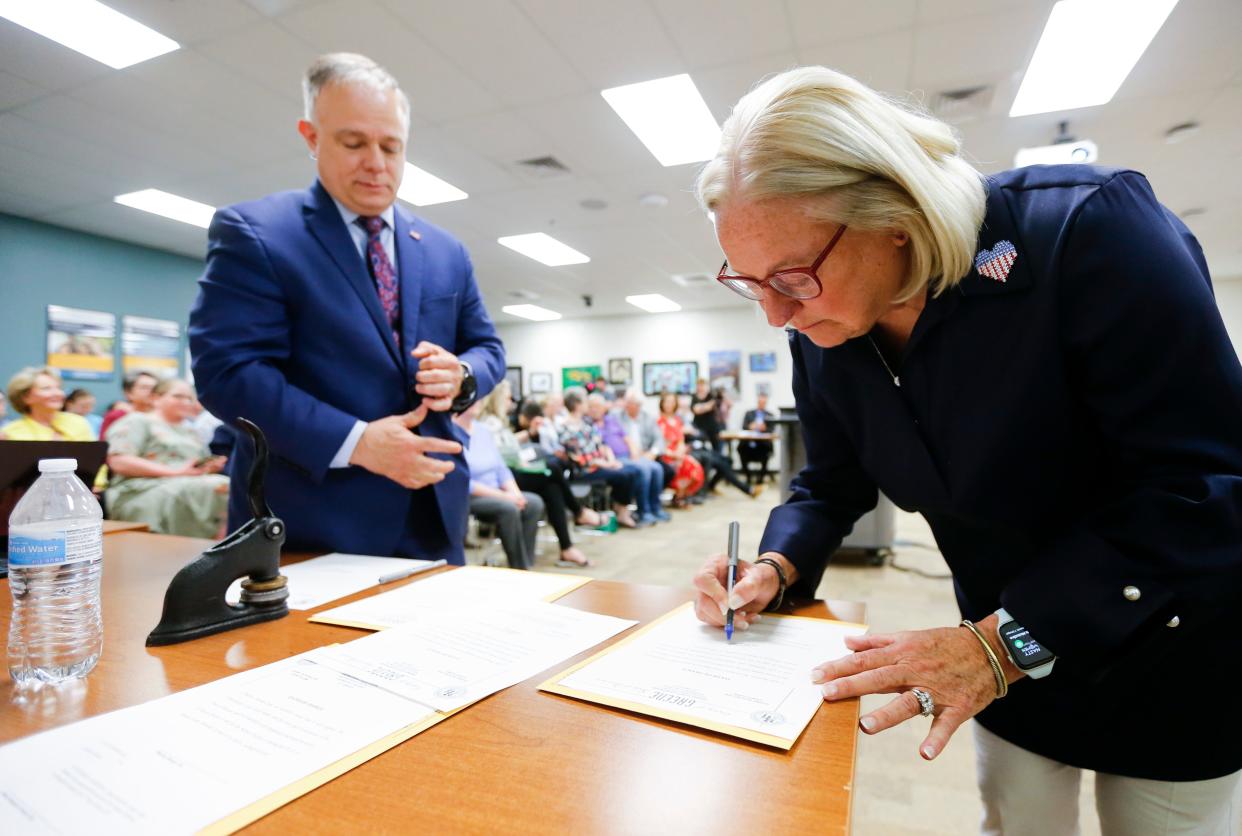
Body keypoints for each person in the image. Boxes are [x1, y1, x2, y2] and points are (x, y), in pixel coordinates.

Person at [689, 66, 1242, 834]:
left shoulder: (1089, 232)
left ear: (895, 214)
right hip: (998, 647)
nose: (776, 312)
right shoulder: (822, 333)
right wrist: (774, 567)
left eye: (794, 276)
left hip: (1163, 637)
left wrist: (999, 644)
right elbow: (830, 484)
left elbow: (1205, 485)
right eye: (750, 282)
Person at [188, 53, 504, 563]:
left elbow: (488, 347)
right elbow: (228, 373)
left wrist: (464, 375)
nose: (376, 163)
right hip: (313, 520)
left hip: (435, 512)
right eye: (354, 143)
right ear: (311, 137)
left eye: (391, 146)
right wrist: (357, 442)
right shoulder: (257, 234)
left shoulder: (446, 250)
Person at [479, 382, 592, 566]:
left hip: (512, 470)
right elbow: (502, 455)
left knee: (552, 487)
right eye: (508, 398)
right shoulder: (489, 424)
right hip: (502, 478)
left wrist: (527, 438)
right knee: (554, 469)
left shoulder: (499, 422)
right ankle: (578, 513)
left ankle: (566, 547)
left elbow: (509, 450)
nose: (511, 402)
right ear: (497, 399)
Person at [105, 379, 229, 539]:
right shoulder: (137, 421)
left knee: (225, 486)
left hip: (190, 485)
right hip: (140, 489)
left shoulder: (191, 431)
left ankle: (215, 549)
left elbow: (195, 466)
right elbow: (119, 460)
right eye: (178, 396)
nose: (185, 402)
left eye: (190, 398)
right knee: (219, 485)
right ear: (156, 398)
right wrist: (175, 472)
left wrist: (207, 468)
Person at [453, 402, 544, 571]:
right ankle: (520, 568)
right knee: (509, 508)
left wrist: (516, 494)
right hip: (471, 496)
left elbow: (501, 468)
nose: (477, 402)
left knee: (534, 503)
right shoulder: (450, 432)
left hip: (498, 491)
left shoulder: (483, 431)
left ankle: (527, 561)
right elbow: (464, 481)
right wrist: (505, 496)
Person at [558, 390, 642, 528]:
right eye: (586, 402)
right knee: (624, 474)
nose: (588, 406)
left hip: (601, 464)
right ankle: (621, 510)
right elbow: (577, 457)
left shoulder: (586, 422)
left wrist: (611, 461)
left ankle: (621, 508)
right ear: (578, 405)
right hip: (585, 470)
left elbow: (601, 444)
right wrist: (605, 464)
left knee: (633, 470)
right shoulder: (565, 426)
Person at [587, 393, 667, 524]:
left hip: (628, 455)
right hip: (614, 459)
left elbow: (627, 439)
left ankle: (655, 508)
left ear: (603, 408)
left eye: (597, 406)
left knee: (657, 468)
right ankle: (644, 511)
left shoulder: (611, 420)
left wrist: (635, 453)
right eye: (591, 407)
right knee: (643, 470)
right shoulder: (589, 425)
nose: (594, 409)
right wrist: (612, 461)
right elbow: (602, 447)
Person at [3, 367, 94, 442]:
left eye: (58, 388)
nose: (58, 393)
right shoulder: (11, 434)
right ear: (26, 397)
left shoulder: (78, 422)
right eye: (46, 388)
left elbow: (95, 461)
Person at [656, 391, 704, 506]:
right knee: (684, 466)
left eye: (672, 402)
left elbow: (681, 440)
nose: (669, 404)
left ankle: (680, 495)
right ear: (662, 403)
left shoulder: (677, 421)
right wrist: (673, 455)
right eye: (667, 402)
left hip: (678, 454)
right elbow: (659, 445)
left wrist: (680, 453)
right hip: (666, 455)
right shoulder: (658, 422)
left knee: (694, 467)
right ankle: (679, 495)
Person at [99, 370, 158, 441]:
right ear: (128, 393)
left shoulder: (166, 415)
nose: (152, 391)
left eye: (155, 388)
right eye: (144, 387)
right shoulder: (116, 416)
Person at [738, 392, 775, 483]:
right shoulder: (749, 414)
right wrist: (750, 427)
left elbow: (771, 430)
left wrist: (764, 429)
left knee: (766, 451)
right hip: (749, 444)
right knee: (740, 448)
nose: (761, 404)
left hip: (762, 446)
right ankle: (748, 477)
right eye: (760, 402)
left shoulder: (770, 415)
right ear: (757, 402)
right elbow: (744, 427)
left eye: (763, 402)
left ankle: (760, 479)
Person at [689, 378, 723, 454]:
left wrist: (701, 407)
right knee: (699, 446)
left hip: (712, 427)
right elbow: (696, 410)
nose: (701, 387)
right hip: (698, 426)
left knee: (717, 448)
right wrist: (708, 405)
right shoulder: (694, 397)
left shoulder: (711, 395)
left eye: (703, 385)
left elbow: (711, 406)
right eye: (699, 385)